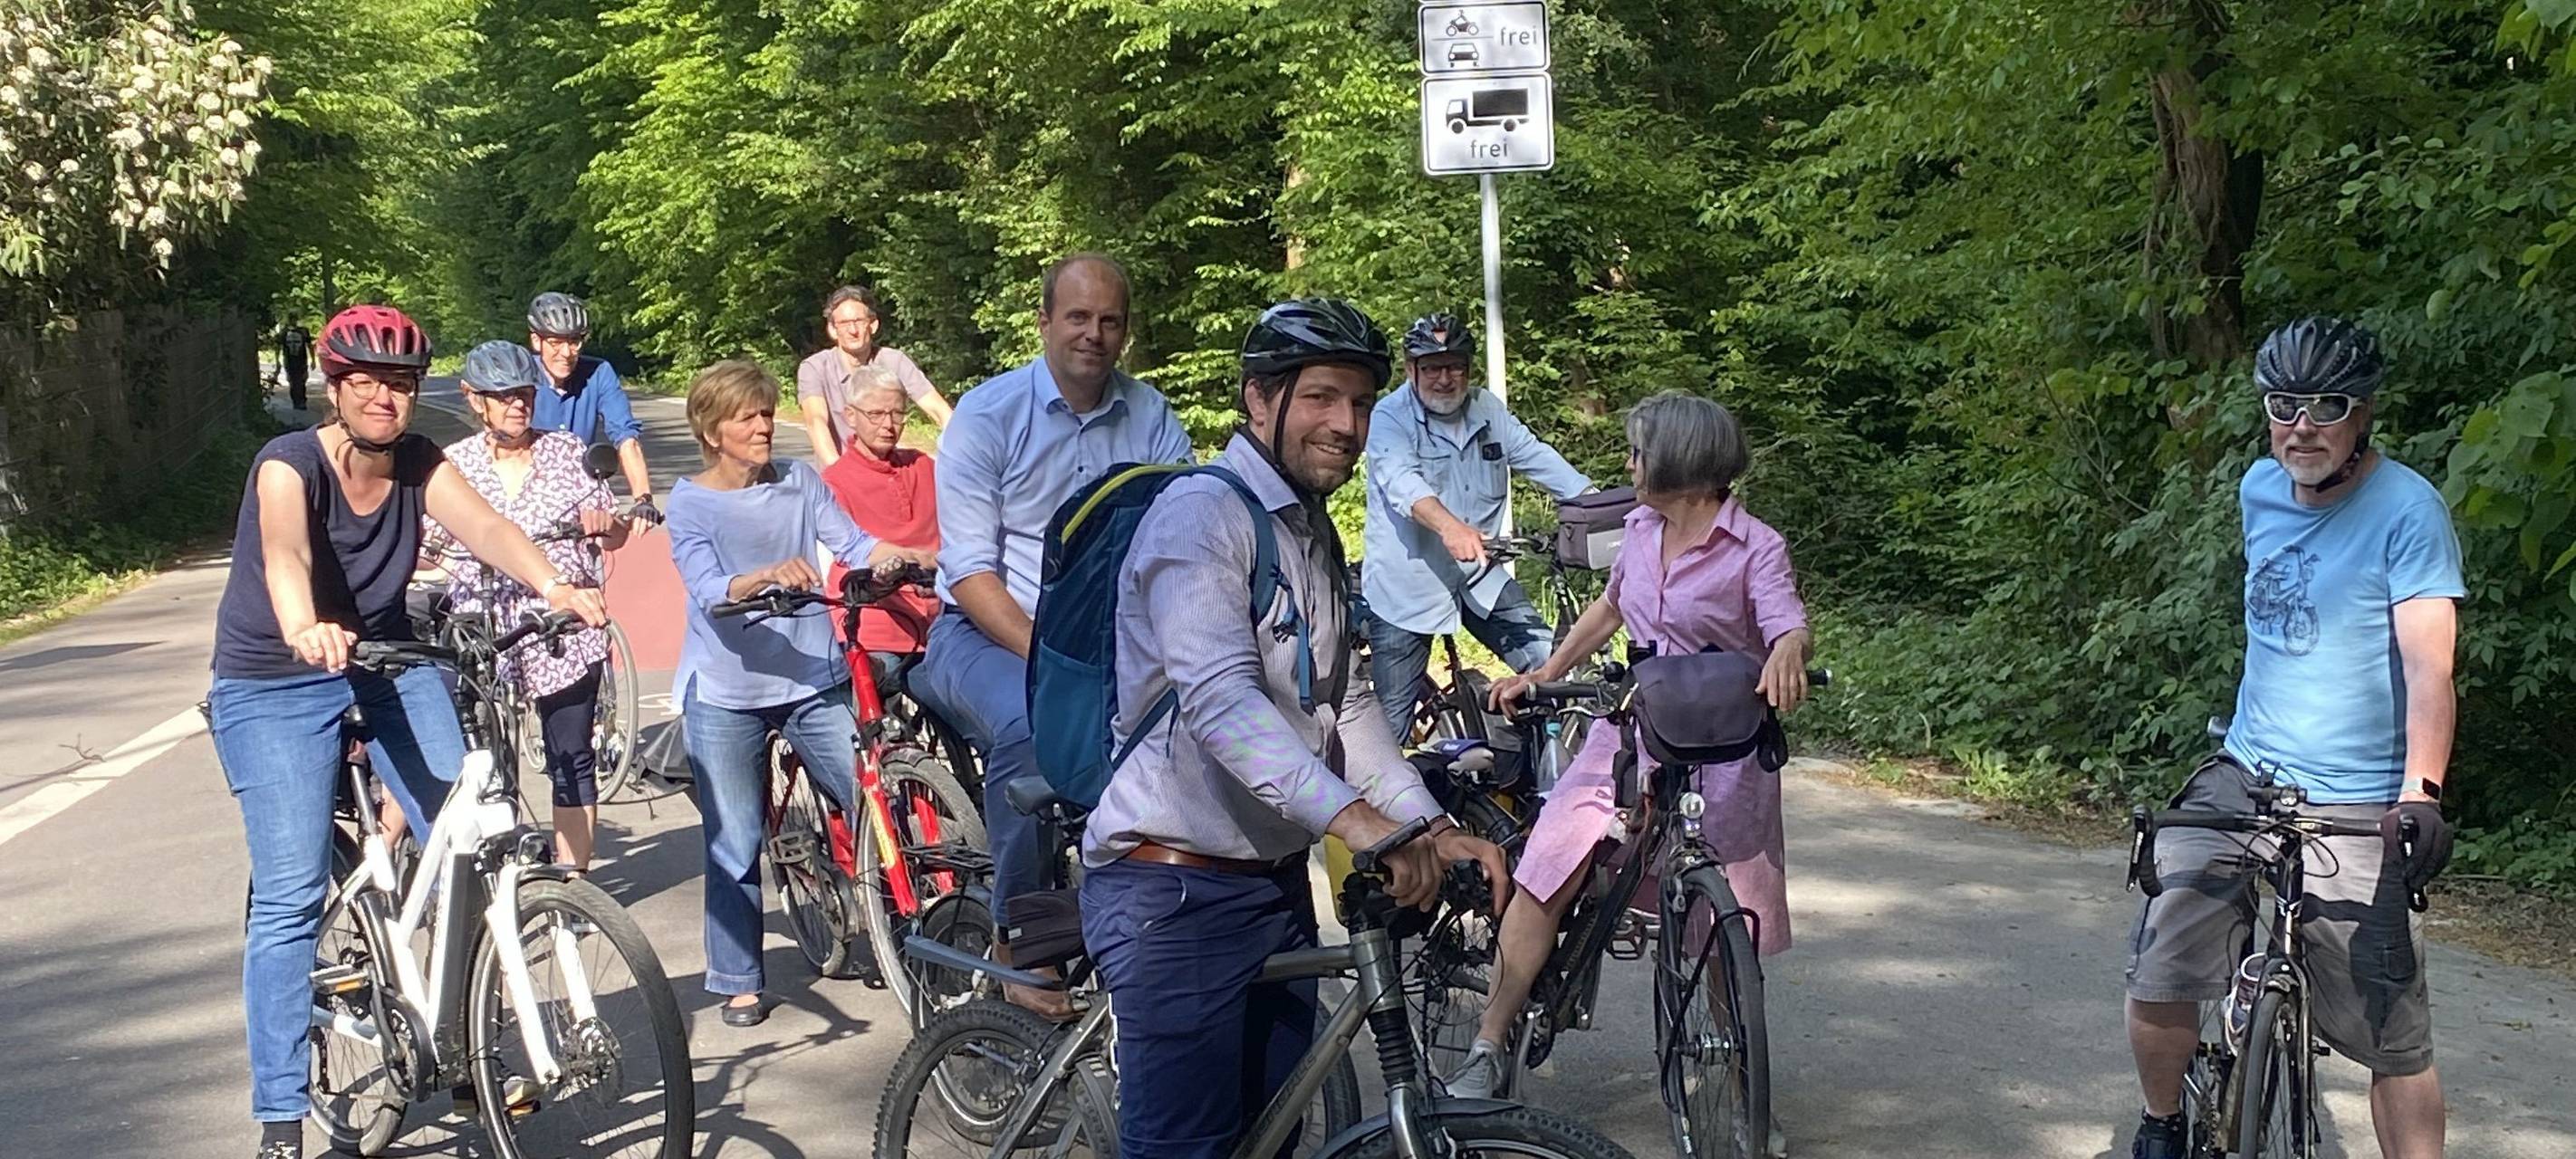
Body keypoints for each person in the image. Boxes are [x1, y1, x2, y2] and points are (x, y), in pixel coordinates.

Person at [1080, 297, 1511, 1158]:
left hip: (1272, 886)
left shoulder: (1309, 527)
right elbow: (1222, 705)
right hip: (1172, 890)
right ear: (1259, 398)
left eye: (1360, 403)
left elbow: (1345, 706)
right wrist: (1360, 824)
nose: (1345, 424)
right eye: (1320, 397)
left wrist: (1426, 826)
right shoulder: (1202, 515)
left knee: (1272, 1141)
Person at [207, 305, 607, 1159]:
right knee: (289, 893)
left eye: (400, 383)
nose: (384, 398)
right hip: (275, 676)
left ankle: (465, 1047)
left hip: (386, 658)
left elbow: (488, 528)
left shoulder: (421, 459)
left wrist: (554, 586)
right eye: (366, 382)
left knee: (470, 844)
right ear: (334, 386)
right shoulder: (288, 463)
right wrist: (302, 624)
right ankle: (280, 1118)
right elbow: (285, 554)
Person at [2125, 317, 2462, 1159]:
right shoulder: (2259, 490)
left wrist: (2421, 793)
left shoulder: (2409, 510)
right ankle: (2161, 1125)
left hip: (2362, 794)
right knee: (2164, 955)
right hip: (2247, 768)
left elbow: (2430, 670)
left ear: (2363, 413)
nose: (2302, 426)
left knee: (2394, 1035)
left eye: (2327, 406)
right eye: (2284, 406)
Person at [1447, 392, 1813, 1139]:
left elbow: (1788, 623)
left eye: (1639, 452)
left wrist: (1786, 652)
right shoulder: (1641, 529)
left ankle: (1745, 1092)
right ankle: (1488, 1042)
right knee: (1549, 868)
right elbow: (1611, 608)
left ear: (1679, 462)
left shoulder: (1756, 547)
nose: (1629, 464)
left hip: (1720, 749)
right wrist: (1544, 673)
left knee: (1717, 923)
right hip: (1634, 730)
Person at [908, 253, 1193, 1014]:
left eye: (1109, 321)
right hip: (987, 633)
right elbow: (971, 572)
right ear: (1043, 322)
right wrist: (1059, 664)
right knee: (1037, 729)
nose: (1093, 334)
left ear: (1125, 332)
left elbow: (1186, 537)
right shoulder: (988, 416)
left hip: (1114, 644)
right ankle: (1019, 938)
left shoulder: (1151, 416)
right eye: (1078, 317)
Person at [665, 359, 936, 1027]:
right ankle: (738, 978)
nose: (764, 427)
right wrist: (761, 577)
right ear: (712, 431)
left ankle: (908, 930)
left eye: (766, 413)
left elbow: (853, 541)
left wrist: (902, 557)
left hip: (812, 678)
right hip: (727, 693)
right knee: (734, 840)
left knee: (874, 802)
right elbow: (708, 587)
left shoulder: (798, 480)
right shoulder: (691, 502)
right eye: (748, 418)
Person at [418, 340, 632, 873]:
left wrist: (606, 525)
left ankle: (573, 885)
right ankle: (495, 876)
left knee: (571, 755)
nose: (518, 404)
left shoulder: (566, 452)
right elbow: (426, 541)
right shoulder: (453, 465)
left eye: (525, 394)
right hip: (482, 629)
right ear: (474, 399)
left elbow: (616, 533)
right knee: (481, 760)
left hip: (560, 626)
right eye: (503, 396)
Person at [1361, 311, 1592, 736]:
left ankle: (1552, 767)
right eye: (1432, 368)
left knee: (1555, 671)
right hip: (1407, 588)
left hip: (1480, 576)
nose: (1444, 379)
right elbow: (1402, 482)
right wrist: (1450, 527)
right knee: (1390, 724)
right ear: (1411, 369)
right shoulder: (1389, 417)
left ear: (1469, 368)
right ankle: (1378, 781)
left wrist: (1595, 504)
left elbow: (1535, 455)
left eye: (1455, 366)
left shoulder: (1487, 409)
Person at [818, 364, 943, 659]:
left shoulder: (924, 465)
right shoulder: (834, 482)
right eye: (875, 414)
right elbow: (849, 554)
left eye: (897, 414)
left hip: (938, 617)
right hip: (873, 624)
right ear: (851, 416)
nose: (888, 424)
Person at [524, 291, 659, 524]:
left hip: (581, 492)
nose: (566, 353)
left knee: (608, 536)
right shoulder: (522, 375)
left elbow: (625, 436)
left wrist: (643, 499)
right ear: (537, 341)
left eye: (574, 342)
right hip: (528, 492)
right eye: (556, 342)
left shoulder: (599, 373)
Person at [796, 283, 956, 464]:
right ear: (833, 330)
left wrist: (962, 454)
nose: (853, 330)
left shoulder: (894, 361)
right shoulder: (814, 368)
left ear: (873, 325)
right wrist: (838, 471)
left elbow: (938, 409)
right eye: (845, 323)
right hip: (837, 470)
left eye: (859, 321)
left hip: (885, 471)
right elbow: (816, 420)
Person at [277, 319, 312, 410]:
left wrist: (313, 360)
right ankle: (296, 401)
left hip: (301, 359)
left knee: (302, 380)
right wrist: (277, 360)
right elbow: (278, 346)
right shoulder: (284, 332)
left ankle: (302, 401)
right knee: (292, 381)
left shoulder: (303, 331)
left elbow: (309, 345)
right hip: (289, 360)